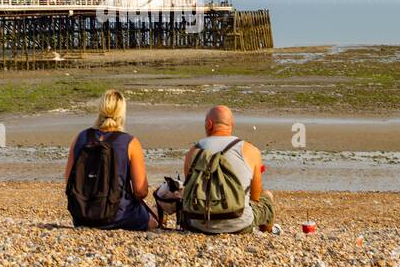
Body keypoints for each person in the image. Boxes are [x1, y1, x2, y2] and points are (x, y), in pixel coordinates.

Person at [65, 90, 158, 230]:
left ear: (100, 109)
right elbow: (141, 191)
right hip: (118, 216)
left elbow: (69, 180)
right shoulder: (130, 142)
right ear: (122, 112)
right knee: (155, 219)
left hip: (81, 215)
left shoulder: (80, 138)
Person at [181, 105, 277, 234]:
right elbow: (255, 196)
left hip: (197, 223)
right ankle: (268, 232)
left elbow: (191, 188)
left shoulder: (193, 152)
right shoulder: (250, 150)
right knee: (267, 196)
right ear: (231, 124)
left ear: (209, 124)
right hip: (239, 224)